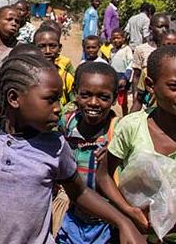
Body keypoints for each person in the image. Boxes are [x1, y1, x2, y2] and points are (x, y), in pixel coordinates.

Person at [0, 53, 145, 243]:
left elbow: (78, 191)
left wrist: (123, 221)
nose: (58, 108)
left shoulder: (55, 145)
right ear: (14, 98)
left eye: (59, 99)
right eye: (50, 100)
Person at [97, 45, 176, 242]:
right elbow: (104, 175)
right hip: (137, 234)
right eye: (174, 86)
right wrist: (128, 211)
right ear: (150, 85)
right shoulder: (132, 127)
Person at [56, 62, 121, 243]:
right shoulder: (66, 123)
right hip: (71, 217)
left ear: (114, 98)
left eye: (103, 97)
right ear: (76, 92)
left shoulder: (119, 132)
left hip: (108, 222)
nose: (93, 103)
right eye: (85, 95)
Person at [130, 13, 171, 112]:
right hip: (147, 100)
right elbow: (136, 76)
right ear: (151, 28)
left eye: (166, 27)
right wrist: (136, 97)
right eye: (160, 27)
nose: (164, 30)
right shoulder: (141, 50)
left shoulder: (171, 50)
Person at [33, 25, 75, 107]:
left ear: (59, 48)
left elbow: (74, 104)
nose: (48, 51)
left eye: (52, 46)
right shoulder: (28, 76)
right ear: (33, 48)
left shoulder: (66, 77)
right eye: (41, 46)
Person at [109, 29, 134, 116]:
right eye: (114, 38)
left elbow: (131, 63)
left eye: (118, 38)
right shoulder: (112, 50)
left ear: (123, 39)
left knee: (123, 100)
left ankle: (125, 117)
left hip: (123, 77)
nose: (116, 40)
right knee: (110, 98)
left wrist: (125, 78)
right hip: (113, 77)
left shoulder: (127, 49)